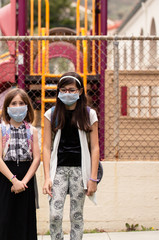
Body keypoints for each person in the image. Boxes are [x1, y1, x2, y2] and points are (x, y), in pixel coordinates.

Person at [42, 72, 100, 240]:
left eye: (72, 90)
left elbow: (95, 148)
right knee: (55, 215)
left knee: (76, 215)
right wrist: (47, 177)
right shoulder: (51, 114)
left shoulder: (89, 114)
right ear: (59, 91)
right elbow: (46, 147)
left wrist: (93, 178)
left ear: (80, 91)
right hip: (58, 170)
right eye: (63, 90)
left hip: (80, 171)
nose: (67, 93)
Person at [0, 88, 41, 240]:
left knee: (24, 219)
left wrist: (23, 182)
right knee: (4, 220)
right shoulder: (0, 129)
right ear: (7, 107)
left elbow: (37, 158)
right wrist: (14, 180)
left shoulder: (32, 131)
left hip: (26, 178)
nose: (18, 106)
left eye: (21, 103)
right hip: (7, 178)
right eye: (13, 103)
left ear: (27, 107)